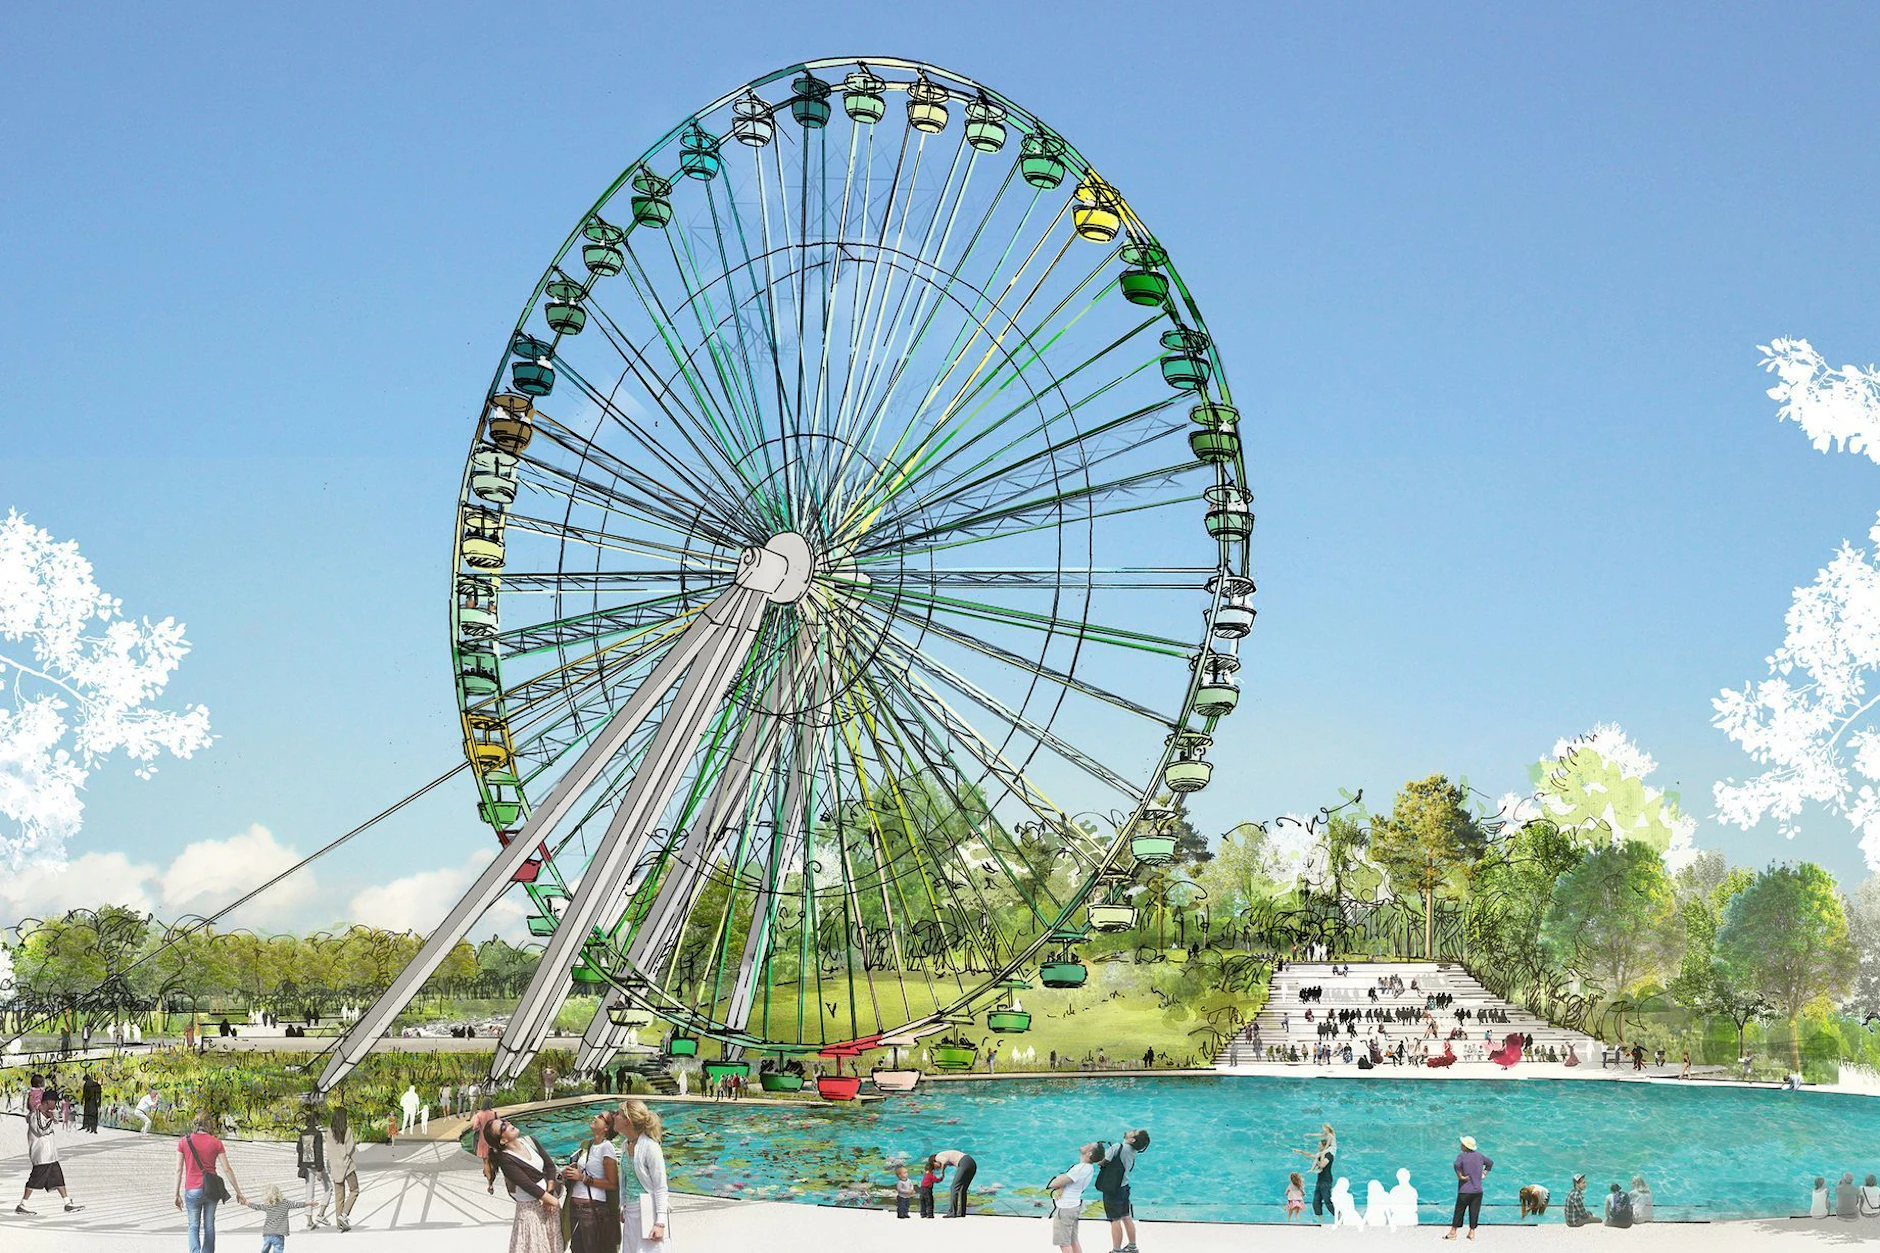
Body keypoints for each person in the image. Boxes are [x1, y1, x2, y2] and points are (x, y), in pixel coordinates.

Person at [487, 1117, 561, 1253]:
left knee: (553, 1247)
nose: (508, 1123)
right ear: (503, 1141)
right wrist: (552, 1201)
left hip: (548, 1206)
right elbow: (529, 1185)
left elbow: (550, 1167)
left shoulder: (530, 1141)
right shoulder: (506, 1159)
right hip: (530, 1212)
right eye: (503, 1126)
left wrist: (549, 1196)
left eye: (505, 1120)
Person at [176, 1112, 243, 1253]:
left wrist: (176, 1194)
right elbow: (227, 1169)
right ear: (209, 1124)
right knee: (209, 1225)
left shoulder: (183, 1141)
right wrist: (238, 1192)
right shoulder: (216, 1142)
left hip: (192, 1189)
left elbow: (178, 1170)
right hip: (211, 1189)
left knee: (193, 1225)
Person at [561, 1110, 619, 1253]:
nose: (595, 1117)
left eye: (600, 1117)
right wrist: (568, 1172)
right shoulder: (587, 1145)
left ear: (607, 1127)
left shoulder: (607, 1148)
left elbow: (612, 1184)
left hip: (592, 1210)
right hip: (574, 1208)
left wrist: (583, 1178)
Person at [616, 1100, 670, 1251]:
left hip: (647, 1212)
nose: (615, 1117)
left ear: (627, 1121)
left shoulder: (651, 1148)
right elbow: (625, 1181)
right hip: (630, 1212)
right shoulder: (625, 1145)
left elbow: (660, 1187)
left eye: (618, 1114)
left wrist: (660, 1223)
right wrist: (623, 1206)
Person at [16, 1100, 84, 1214]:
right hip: (42, 1155)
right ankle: (22, 1205)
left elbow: (52, 1125)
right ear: (48, 1102)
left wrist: (52, 1118)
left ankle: (67, 1203)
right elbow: (42, 1130)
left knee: (59, 1179)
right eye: (54, 1103)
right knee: (34, 1180)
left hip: (50, 1155)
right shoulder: (35, 1116)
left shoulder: (45, 1114)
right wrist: (51, 1119)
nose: (54, 1106)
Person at [1096, 1128, 1147, 1253]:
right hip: (1124, 1187)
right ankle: (1132, 1246)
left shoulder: (1117, 1147)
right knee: (1126, 1216)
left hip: (1112, 1189)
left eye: (1134, 1132)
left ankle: (1116, 1250)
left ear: (1132, 1139)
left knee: (1115, 1220)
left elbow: (1102, 1162)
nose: (1132, 1130)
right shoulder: (1133, 1151)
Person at [1046, 1142, 1101, 1253]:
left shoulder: (1079, 1169)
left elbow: (1054, 1184)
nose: (1087, 1143)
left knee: (1064, 1244)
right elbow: (1065, 1181)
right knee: (1073, 1241)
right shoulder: (1088, 1168)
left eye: (1089, 1144)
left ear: (1089, 1153)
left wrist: (1059, 1180)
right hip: (1074, 1206)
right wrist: (1062, 1182)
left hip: (1065, 1208)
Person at [243, 1183, 315, 1253]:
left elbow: (257, 1207)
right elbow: (297, 1204)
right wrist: (309, 1204)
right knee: (278, 1250)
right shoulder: (285, 1203)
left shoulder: (267, 1205)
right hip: (279, 1234)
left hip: (268, 1233)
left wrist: (247, 1203)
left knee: (265, 1250)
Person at [1445, 1135, 1492, 1240]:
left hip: (1465, 1190)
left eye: (1462, 1144)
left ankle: (1453, 1232)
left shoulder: (1461, 1156)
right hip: (1478, 1190)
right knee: (1474, 1211)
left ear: (1465, 1147)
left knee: (1459, 1211)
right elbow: (1490, 1163)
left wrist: (1460, 1176)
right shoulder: (1480, 1156)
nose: (1461, 1145)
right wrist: (1484, 1173)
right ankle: (1472, 1233)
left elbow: (1456, 1165)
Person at [295, 1109, 329, 1229]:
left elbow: (299, 1149)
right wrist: (320, 1169)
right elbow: (318, 1152)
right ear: (315, 1120)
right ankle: (321, 1214)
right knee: (328, 1188)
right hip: (317, 1165)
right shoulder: (318, 1134)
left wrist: (302, 1164)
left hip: (306, 1166)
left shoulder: (302, 1134)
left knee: (309, 1193)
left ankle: (309, 1221)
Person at [328, 1109, 360, 1232]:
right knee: (355, 1190)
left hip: (335, 1167)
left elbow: (329, 1150)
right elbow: (349, 1149)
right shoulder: (348, 1131)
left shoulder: (329, 1132)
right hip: (347, 1166)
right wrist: (355, 1144)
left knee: (339, 1197)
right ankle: (344, 1215)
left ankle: (339, 1225)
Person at [1298, 1124, 1336, 1221]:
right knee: (1316, 1202)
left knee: (1327, 1201)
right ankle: (1320, 1221)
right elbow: (1311, 1155)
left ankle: (1340, 1217)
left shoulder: (1329, 1154)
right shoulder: (1320, 1154)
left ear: (1324, 1146)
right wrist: (1301, 1152)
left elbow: (1323, 1165)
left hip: (1326, 1180)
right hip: (1320, 1180)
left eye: (1319, 1145)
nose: (1318, 1147)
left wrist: (1319, 1160)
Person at [934, 1147, 976, 1218]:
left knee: (954, 1187)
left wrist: (942, 1173)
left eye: (934, 1166)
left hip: (964, 1162)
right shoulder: (944, 1154)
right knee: (962, 1189)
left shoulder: (938, 1157)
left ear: (934, 1161)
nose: (935, 1168)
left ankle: (952, 1212)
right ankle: (961, 1213)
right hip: (972, 1163)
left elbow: (944, 1161)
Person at [471, 1098, 500, 1194]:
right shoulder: (494, 1114)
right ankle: (491, 1173)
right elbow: (499, 1125)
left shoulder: (479, 1115)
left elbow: (475, 1127)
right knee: (494, 1161)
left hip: (483, 1141)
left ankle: (490, 1184)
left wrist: (481, 1127)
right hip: (493, 1140)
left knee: (486, 1162)